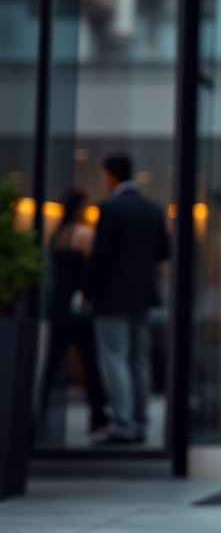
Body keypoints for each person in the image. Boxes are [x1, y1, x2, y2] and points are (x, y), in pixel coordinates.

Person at [78, 152, 170, 445]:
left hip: (113, 297)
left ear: (109, 175)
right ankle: (140, 421)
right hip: (144, 294)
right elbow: (164, 251)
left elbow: (100, 256)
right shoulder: (153, 209)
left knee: (114, 358)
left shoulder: (111, 208)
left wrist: (87, 293)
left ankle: (124, 424)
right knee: (139, 358)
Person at [37, 188, 109, 440]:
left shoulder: (57, 235)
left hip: (58, 305)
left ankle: (39, 412)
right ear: (80, 207)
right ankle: (98, 417)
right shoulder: (84, 234)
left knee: (52, 362)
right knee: (92, 361)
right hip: (79, 305)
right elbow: (95, 269)